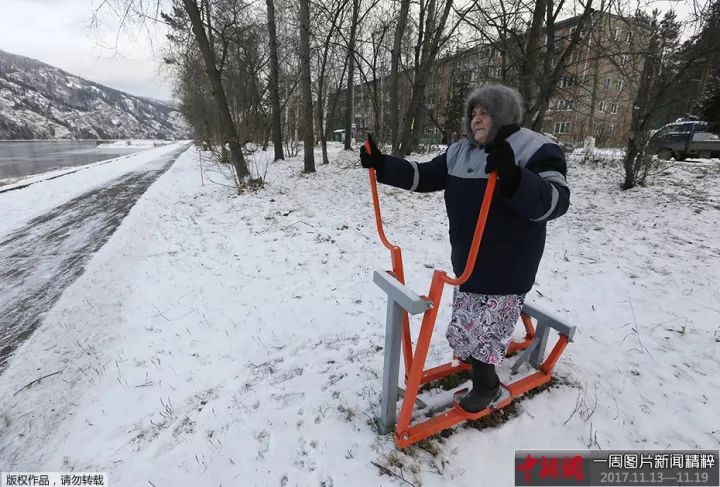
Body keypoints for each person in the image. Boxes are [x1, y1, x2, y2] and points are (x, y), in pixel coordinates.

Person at [360, 84, 570, 413]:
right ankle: (479, 369)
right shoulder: (461, 151)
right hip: (469, 262)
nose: (476, 119)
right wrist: (381, 163)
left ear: (501, 115)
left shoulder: (536, 148)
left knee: (482, 335)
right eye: (473, 113)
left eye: (484, 112)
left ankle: (489, 388)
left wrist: (514, 177)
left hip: (508, 265)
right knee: (463, 329)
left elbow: (556, 202)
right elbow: (424, 175)